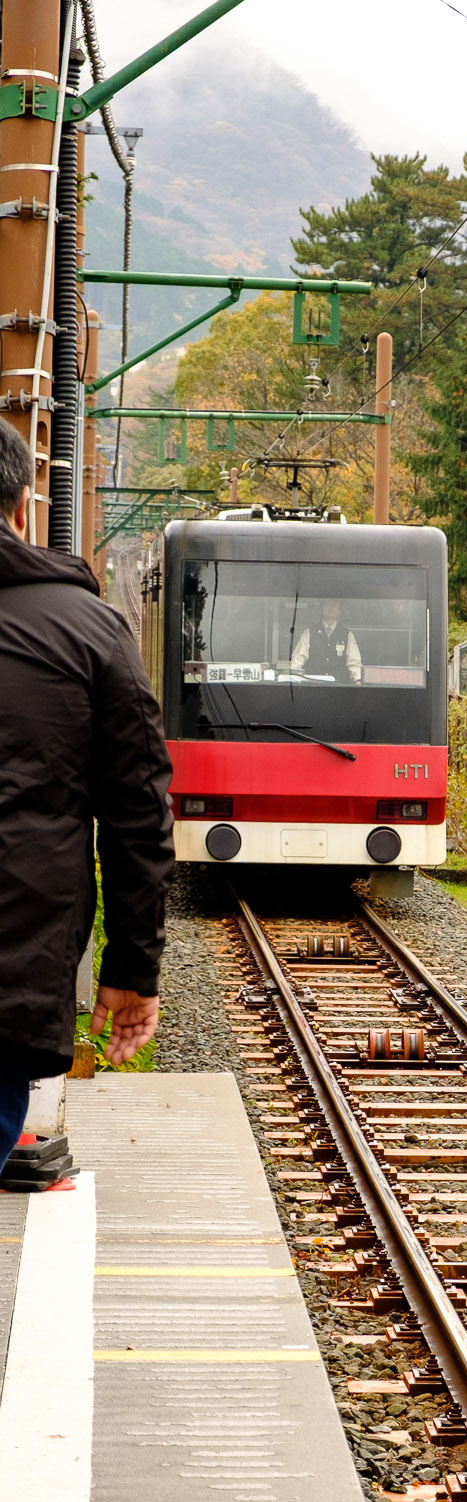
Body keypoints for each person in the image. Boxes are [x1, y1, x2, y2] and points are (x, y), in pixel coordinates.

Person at [0, 420, 174, 1172]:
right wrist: (131, 971)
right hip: (14, 958)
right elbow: (137, 814)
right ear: (21, 505)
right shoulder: (89, 630)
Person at [291, 599, 362, 684]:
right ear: (322, 607)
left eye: (335, 604)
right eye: (328, 604)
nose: (331, 607)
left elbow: (354, 663)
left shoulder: (347, 634)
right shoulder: (309, 632)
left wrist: (357, 679)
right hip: (313, 687)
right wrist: (292, 678)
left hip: (340, 688)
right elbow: (297, 660)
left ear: (340, 609)